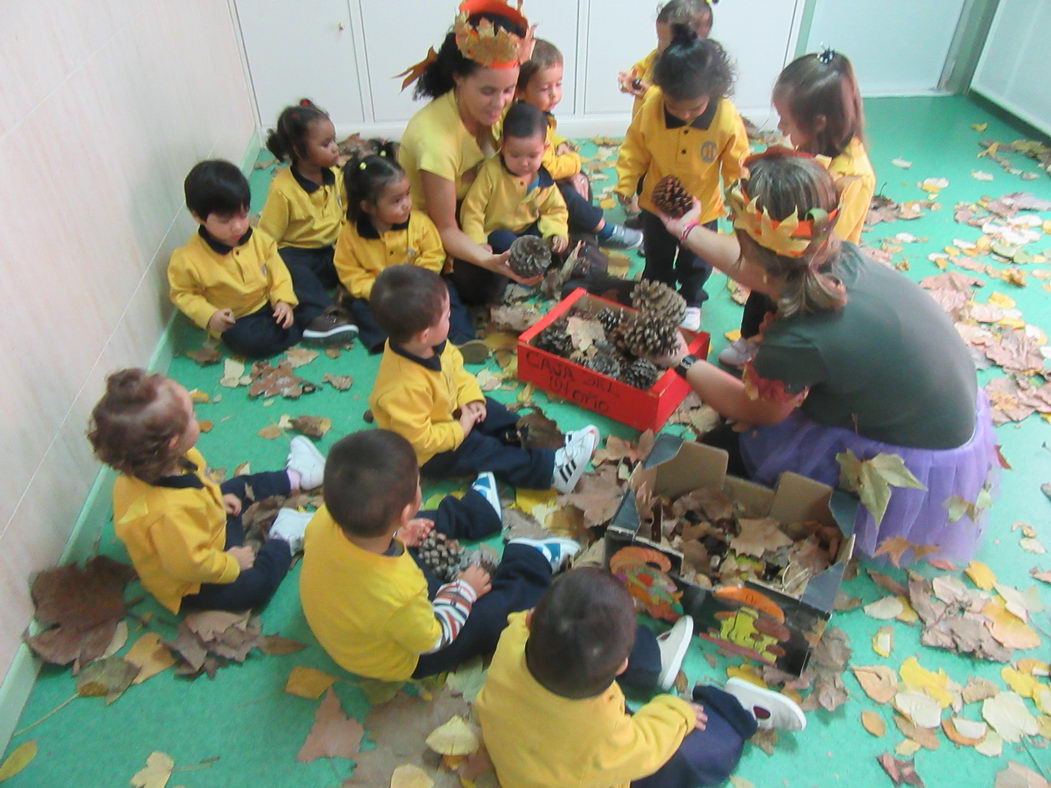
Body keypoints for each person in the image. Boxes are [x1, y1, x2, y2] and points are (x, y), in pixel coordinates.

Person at [656, 149, 997, 565]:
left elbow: (758, 411)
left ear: (751, 243)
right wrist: (687, 229)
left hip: (920, 446)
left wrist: (682, 360)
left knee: (730, 448)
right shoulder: (835, 257)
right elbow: (761, 268)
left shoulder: (798, 338)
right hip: (950, 407)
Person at [475, 568, 806, 787]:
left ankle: (657, 663)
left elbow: (546, 626)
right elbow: (646, 746)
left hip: (541, 744)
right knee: (698, 757)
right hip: (585, 767)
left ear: (531, 620)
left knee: (593, 639)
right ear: (622, 668)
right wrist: (679, 714)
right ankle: (734, 711)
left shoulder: (514, 634)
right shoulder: (603, 734)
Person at [299, 429, 581, 680]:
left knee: (392, 520)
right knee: (486, 620)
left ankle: (480, 512)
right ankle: (528, 561)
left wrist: (397, 535)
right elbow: (435, 636)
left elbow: (388, 525)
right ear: (406, 510)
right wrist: (464, 590)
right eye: (418, 483)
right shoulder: (402, 592)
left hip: (360, 597)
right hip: (405, 653)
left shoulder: (324, 518)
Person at [88, 369, 324, 613]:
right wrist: (231, 564)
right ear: (173, 442)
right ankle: (284, 538)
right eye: (192, 414)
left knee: (237, 487)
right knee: (252, 589)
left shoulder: (165, 463)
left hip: (207, 527)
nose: (196, 416)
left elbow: (196, 488)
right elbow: (189, 565)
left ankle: (296, 477)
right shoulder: (168, 516)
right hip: (194, 581)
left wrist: (216, 500)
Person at [367, 265, 598, 493]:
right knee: (485, 450)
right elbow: (420, 440)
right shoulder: (402, 388)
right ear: (425, 334)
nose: (452, 318)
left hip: (451, 410)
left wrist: (472, 398)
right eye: (448, 316)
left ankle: (550, 442)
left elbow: (457, 371)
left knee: (495, 412)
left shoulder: (428, 344)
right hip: (431, 453)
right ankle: (551, 472)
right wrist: (461, 429)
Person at [720, 49, 875, 368]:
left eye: (787, 120)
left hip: (816, 272)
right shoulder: (811, 151)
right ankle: (752, 339)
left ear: (818, 122)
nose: (782, 127)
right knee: (762, 293)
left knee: (787, 309)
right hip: (785, 256)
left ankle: (773, 353)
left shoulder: (853, 176)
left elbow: (824, 246)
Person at [397, 0, 544, 306]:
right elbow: (445, 227)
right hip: (439, 233)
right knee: (485, 282)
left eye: (509, 90)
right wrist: (487, 259)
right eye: (488, 91)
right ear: (458, 77)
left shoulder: (498, 105)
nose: (500, 103)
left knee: (564, 186)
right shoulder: (436, 141)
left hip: (483, 205)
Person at [614, 25, 748, 331]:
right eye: (675, 107)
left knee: (696, 260)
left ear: (714, 93)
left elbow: (736, 164)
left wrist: (739, 199)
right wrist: (625, 181)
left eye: (695, 108)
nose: (685, 114)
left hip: (703, 207)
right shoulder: (652, 105)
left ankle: (690, 299)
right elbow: (635, 147)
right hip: (655, 203)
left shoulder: (726, 117)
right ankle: (658, 294)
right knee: (657, 255)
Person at [167, 161, 356, 358]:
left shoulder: (257, 237)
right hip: (240, 318)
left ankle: (318, 316)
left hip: (271, 300)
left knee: (295, 269)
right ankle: (305, 323)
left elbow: (277, 269)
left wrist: (283, 299)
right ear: (198, 217)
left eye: (243, 215)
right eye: (226, 221)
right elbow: (184, 295)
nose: (238, 227)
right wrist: (209, 315)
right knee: (249, 342)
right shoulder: (187, 259)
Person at [334, 145, 475, 353]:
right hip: (381, 295)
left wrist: (418, 282)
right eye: (396, 200)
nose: (407, 204)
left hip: (420, 290)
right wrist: (372, 289)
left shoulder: (419, 222)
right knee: (361, 308)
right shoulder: (351, 234)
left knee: (448, 296)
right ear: (368, 207)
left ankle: (462, 339)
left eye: (407, 195)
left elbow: (434, 253)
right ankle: (391, 344)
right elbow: (348, 269)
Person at [517, 39, 643, 248]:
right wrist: (573, 163)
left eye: (558, 84)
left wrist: (563, 145)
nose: (554, 94)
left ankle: (587, 233)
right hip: (525, 182)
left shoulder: (537, 112)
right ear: (520, 91)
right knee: (566, 191)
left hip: (538, 172)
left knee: (581, 183)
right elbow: (547, 166)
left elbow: (548, 137)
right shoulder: (528, 120)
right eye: (545, 88)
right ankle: (602, 229)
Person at [259, 99, 359, 340]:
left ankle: (354, 298)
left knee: (363, 254)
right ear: (299, 151)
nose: (335, 148)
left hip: (331, 249)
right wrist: (265, 270)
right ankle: (319, 316)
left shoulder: (335, 175)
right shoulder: (283, 189)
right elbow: (266, 237)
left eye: (334, 140)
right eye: (325, 144)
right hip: (298, 252)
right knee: (293, 268)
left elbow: (346, 208)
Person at [460, 101, 570, 260]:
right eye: (515, 155)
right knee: (505, 240)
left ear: (544, 149)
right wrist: (478, 242)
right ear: (502, 146)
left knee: (550, 241)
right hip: (498, 233)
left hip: (528, 229)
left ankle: (542, 266)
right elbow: (472, 210)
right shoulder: (491, 172)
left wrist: (557, 232)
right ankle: (532, 269)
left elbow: (555, 209)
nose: (524, 163)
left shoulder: (543, 178)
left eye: (532, 156)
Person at [618, 0, 714, 117]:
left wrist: (648, 92)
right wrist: (629, 81)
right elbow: (639, 70)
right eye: (659, 39)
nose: (660, 47)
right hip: (642, 130)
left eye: (667, 42)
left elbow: (679, 103)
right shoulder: (656, 56)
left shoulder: (695, 70)